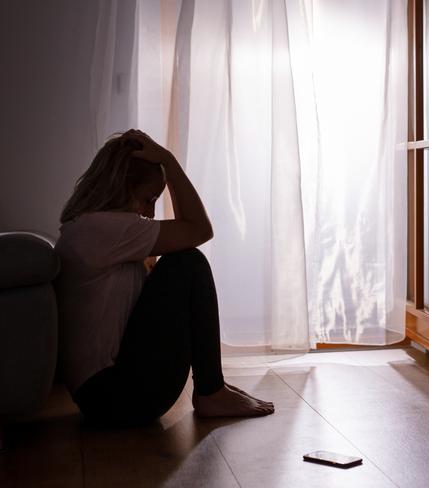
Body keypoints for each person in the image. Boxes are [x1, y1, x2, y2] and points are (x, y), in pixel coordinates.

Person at [54, 129, 274, 426]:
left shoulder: (86, 228)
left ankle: (213, 388)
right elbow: (198, 229)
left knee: (181, 259)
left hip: (101, 396)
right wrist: (169, 163)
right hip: (114, 395)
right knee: (188, 262)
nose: (149, 212)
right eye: (148, 199)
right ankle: (211, 390)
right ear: (121, 188)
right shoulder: (103, 229)